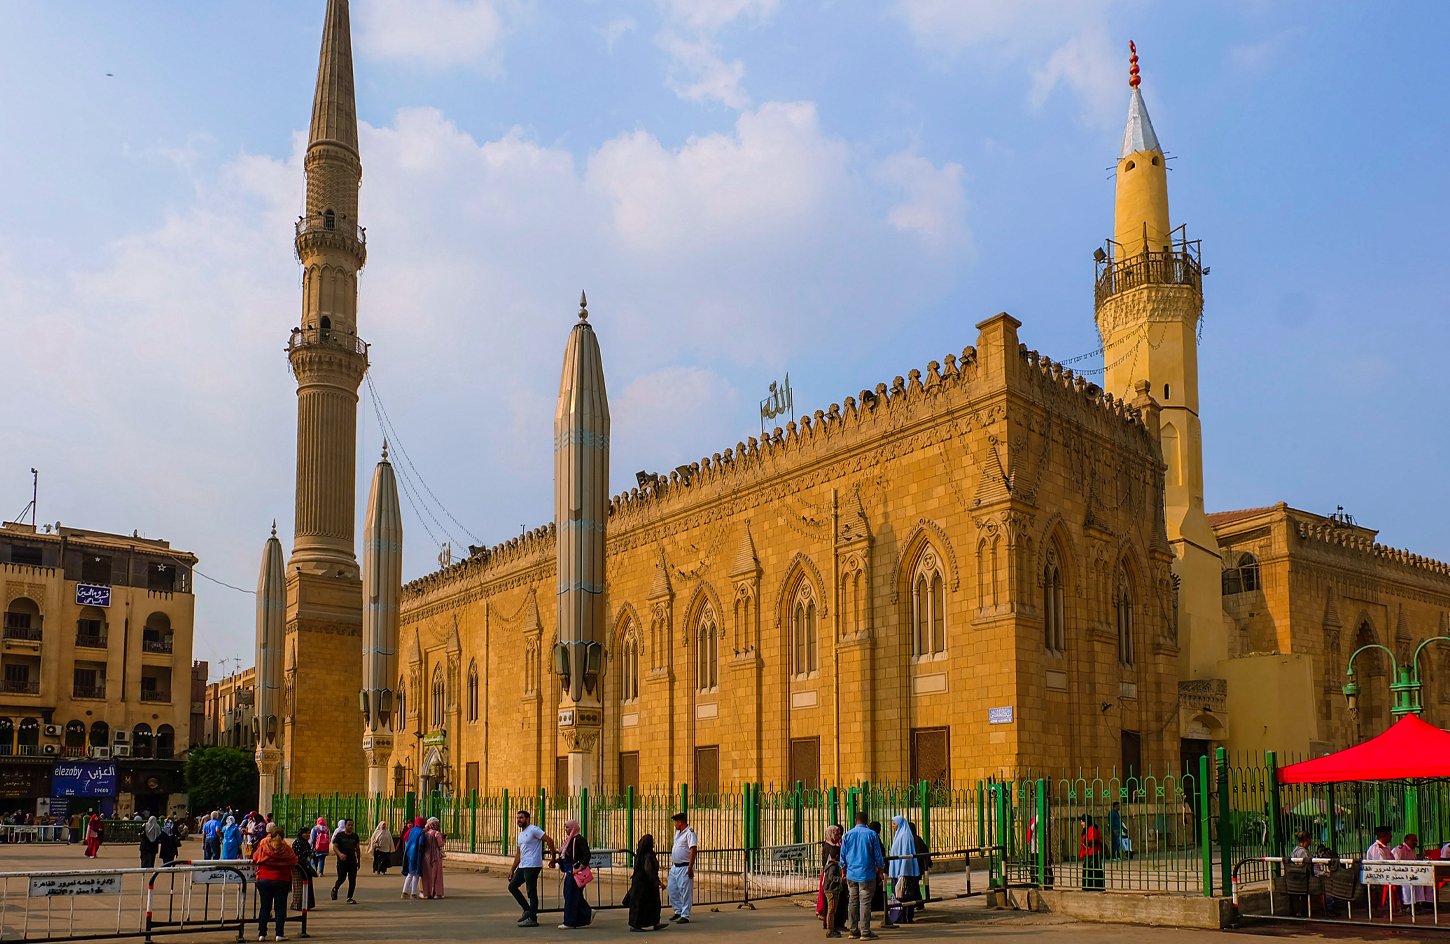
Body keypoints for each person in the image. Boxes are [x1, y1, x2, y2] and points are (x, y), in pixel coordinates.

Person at [841, 811, 885, 941]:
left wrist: (844, 871)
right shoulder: (871, 834)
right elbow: (878, 855)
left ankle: (853, 930)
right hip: (866, 873)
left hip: (851, 873)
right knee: (865, 901)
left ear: (855, 820)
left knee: (852, 901)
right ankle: (865, 931)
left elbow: (842, 857)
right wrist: (881, 870)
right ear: (867, 821)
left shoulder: (847, 835)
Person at [509, 809, 556, 927]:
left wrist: (553, 858)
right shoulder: (520, 835)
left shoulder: (534, 830)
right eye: (518, 818)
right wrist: (512, 869)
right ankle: (528, 910)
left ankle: (532, 918)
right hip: (523, 865)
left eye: (521, 818)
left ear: (527, 819)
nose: (519, 820)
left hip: (533, 865)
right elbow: (519, 854)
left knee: (531, 891)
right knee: (512, 886)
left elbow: (549, 840)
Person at [252, 822, 299, 943]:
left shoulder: (263, 847)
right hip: (281, 880)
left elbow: (255, 858)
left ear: (270, 836)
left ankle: (262, 934)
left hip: (264, 879)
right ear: (283, 837)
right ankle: (279, 934)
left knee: (264, 907)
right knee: (280, 908)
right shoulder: (287, 849)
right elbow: (294, 861)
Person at [626, 833, 668, 932]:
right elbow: (649, 870)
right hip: (644, 884)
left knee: (651, 904)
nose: (654, 843)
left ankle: (654, 922)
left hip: (642, 883)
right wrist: (658, 882)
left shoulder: (642, 854)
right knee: (642, 905)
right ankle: (636, 925)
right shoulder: (648, 855)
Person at [555, 819, 592, 929]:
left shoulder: (579, 840)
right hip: (569, 871)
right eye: (565, 827)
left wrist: (580, 867)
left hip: (576, 873)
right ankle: (586, 913)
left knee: (571, 895)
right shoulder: (569, 840)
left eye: (568, 827)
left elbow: (587, 855)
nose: (566, 830)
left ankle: (570, 922)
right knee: (572, 895)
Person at [886, 816, 921, 920]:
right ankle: (897, 917)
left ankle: (904, 917)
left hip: (903, 872)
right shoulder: (899, 835)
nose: (893, 826)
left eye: (894, 823)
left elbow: (906, 855)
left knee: (904, 896)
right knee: (897, 896)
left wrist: (903, 872)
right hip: (896, 871)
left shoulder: (905, 836)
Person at [667, 812, 698, 924]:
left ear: (680, 822)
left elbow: (693, 850)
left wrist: (690, 867)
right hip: (675, 866)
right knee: (672, 890)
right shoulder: (678, 833)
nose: (675, 824)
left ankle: (685, 914)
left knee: (685, 891)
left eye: (676, 822)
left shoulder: (690, 833)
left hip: (684, 866)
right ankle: (678, 910)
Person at [818, 825, 847, 938]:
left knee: (833, 907)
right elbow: (831, 875)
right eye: (836, 834)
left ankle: (833, 926)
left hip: (831, 883)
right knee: (831, 908)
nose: (839, 836)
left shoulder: (831, 846)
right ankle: (831, 928)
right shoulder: (831, 851)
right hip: (831, 884)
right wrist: (841, 879)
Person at [1393, 833, 1432, 909]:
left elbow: (1415, 862)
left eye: (1416, 841)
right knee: (1409, 882)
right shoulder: (1400, 849)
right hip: (1399, 873)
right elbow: (1396, 863)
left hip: (1411, 873)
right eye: (1413, 840)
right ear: (1406, 840)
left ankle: (1419, 902)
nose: (1415, 842)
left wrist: (1423, 856)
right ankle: (1407, 903)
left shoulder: (1412, 850)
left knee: (1423, 880)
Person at [867, 822, 892, 928]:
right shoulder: (873, 837)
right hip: (874, 869)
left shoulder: (869, 836)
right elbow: (878, 854)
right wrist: (881, 868)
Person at [1366, 825, 1395, 915]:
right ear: (1384, 836)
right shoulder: (1377, 848)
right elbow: (1381, 865)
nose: (1391, 837)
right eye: (1389, 835)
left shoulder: (1385, 847)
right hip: (1378, 876)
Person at [332, 819, 361, 904]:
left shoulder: (355, 836)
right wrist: (340, 854)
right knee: (341, 878)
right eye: (349, 825)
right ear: (345, 825)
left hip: (352, 861)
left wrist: (358, 861)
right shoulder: (339, 835)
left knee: (352, 880)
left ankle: (349, 897)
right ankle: (335, 889)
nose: (350, 827)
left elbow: (357, 849)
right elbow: (334, 846)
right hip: (342, 862)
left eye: (352, 825)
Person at [290, 828, 317, 915]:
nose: (308, 835)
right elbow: (296, 855)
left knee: (308, 886)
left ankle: (307, 904)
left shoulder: (306, 843)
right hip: (298, 867)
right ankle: (297, 904)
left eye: (309, 833)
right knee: (299, 886)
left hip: (306, 867)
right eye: (306, 833)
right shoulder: (297, 843)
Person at [1287, 831, 1313, 916]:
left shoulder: (1295, 850)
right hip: (1303, 878)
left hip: (1295, 878)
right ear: (1307, 840)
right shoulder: (1303, 852)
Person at [401, 817, 426, 899]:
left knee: (410, 873)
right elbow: (421, 844)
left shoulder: (412, 830)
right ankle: (413, 893)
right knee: (416, 874)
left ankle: (404, 892)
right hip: (416, 853)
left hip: (409, 853)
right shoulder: (421, 832)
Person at [1079, 815, 1105, 891]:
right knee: (1089, 872)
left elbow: (1092, 840)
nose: (1081, 823)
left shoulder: (1091, 829)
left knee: (1093, 872)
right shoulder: (1087, 829)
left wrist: (1086, 843)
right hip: (1088, 853)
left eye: (1082, 821)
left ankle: (1094, 887)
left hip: (1093, 854)